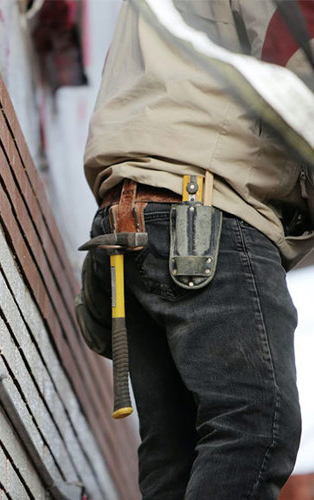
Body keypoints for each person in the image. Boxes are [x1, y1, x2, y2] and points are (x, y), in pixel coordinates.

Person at [76, 1, 314, 498]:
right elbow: (299, 46)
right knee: (257, 425)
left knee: (176, 457)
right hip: (203, 211)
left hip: (137, 210)